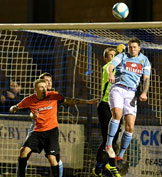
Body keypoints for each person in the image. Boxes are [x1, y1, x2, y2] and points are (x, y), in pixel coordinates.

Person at [10, 79, 98, 177]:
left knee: (52, 159)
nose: (44, 89)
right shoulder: (29, 100)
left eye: (45, 86)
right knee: (23, 151)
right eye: (41, 87)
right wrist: (13, 109)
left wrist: (86, 102)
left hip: (51, 132)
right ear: (35, 89)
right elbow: (15, 107)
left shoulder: (53, 95)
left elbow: (69, 101)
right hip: (37, 132)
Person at [105, 37, 151, 177]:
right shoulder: (122, 56)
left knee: (130, 126)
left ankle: (120, 155)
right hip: (118, 88)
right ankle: (108, 145)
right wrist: (111, 73)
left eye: (134, 47)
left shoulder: (144, 60)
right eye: (130, 47)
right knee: (117, 115)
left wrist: (144, 92)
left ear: (139, 48)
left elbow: (146, 79)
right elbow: (110, 66)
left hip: (131, 93)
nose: (132, 49)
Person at [92, 45, 125, 177]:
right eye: (111, 56)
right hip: (106, 106)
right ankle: (110, 165)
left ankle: (99, 168)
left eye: (114, 55)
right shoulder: (107, 68)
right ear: (106, 58)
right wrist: (120, 53)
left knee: (114, 139)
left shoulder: (119, 68)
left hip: (117, 107)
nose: (113, 58)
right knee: (108, 139)